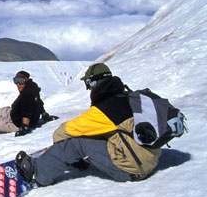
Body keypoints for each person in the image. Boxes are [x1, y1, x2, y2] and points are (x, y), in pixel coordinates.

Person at [16, 63, 162, 186]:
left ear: (94, 83)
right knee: (96, 134)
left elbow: (62, 132)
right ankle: (77, 160)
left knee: (76, 142)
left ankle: (37, 173)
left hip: (132, 168)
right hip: (148, 159)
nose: (88, 89)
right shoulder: (126, 98)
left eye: (88, 84)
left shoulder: (105, 109)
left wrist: (64, 146)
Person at [0, 71, 58, 143]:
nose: (18, 84)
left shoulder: (27, 95)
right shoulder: (33, 88)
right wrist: (45, 116)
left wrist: (24, 127)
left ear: (26, 80)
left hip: (15, 123)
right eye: (16, 81)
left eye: (21, 81)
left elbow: (27, 110)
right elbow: (38, 103)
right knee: (3, 110)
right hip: (14, 114)